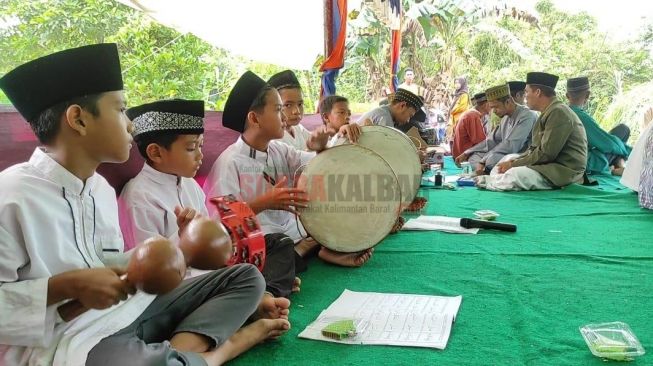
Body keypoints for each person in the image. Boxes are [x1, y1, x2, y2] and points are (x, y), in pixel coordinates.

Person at [0, 44, 288, 366]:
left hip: (128, 311)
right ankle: (227, 348)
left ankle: (179, 354)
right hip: (66, 341)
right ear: (79, 120)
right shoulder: (11, 195)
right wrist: (66, 286)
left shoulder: (100, 189)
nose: (130, 124)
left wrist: (175, 249)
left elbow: (114, 265)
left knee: (246, 278)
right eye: (121, 109)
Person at [119, 99, 299, 298]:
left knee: (278, 243)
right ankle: (264, 292)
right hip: (182, 284)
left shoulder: (189, 184)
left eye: (201, 146)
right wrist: (183, 236)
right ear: (156, 152)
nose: (200, 156)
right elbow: (148, 270)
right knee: (246, 275)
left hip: (210, 270)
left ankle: (263, 288)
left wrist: (223, 246)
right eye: (191, 148)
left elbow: (213, 235)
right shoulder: (138, 197)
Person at [204, 71, 372, 268]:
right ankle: (307, 249)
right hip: (264, 240)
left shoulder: (278, 149)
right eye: (278, 109)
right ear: (255, 119)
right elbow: (220, 226)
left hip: (293, 231)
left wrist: (321, 148)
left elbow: (320, 166)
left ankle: (313, 246)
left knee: (344, 217)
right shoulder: (230, 162)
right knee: (274, 250)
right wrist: (263, 203)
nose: (284, 116)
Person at [476, 72, 588, 191]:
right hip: (550, 163)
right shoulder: (549, 111)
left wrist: (513, 165)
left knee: (515, 174)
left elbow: (546, 154)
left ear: (538, 92)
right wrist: (513, 161)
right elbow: (535, 149)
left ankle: (491, 182)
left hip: (564, 170)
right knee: (508, 158)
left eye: (527, 92)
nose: (525, 97)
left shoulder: (558, 112)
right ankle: (494, 181)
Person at [456, 84, 537, 174]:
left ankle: (486, 171)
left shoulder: (527, 116)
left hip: (520, 156)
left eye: (496, 107)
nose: (494, 111)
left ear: (508, 101)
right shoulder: (505, 118)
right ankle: (486, 171)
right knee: (474, 157)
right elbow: (491, 141)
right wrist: (467, 152)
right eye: (491, 107)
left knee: (491, 160)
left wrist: (484, 160)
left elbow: (512, 145)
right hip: (503, 154)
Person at [565, 76, 632, 176]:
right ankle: (619, 168)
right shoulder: (579, 116)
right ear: (587, 95)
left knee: (617, 139)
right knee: (623, 131)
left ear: (567, 95)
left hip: (568, 159)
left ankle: (620, 166)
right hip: (586, 163)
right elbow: (606, 143)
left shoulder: (562, 112)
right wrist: (629, 151)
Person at [268, 70, 311, 151]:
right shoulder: (273, 139)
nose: (297, 111)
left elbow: (316, 141)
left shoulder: (298, 128)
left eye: (300, 104)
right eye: (288, 105)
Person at [357, 88, 423, 128]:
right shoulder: (385, 117)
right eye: (410, 116)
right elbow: (387, 147)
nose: (408, 120)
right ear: (402, 105)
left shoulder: (383, 111)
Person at [451, 92, 490, 159]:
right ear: (485, 105)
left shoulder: (471, 114)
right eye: (492, 104)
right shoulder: (473, 116)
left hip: (462, 153)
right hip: (464, 156)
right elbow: (480, 141)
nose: (493, 107)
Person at [445, 77, 471, 147]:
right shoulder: (457, 94)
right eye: (455, 83)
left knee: (459, 137)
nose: (456, 85)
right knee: (453, 138)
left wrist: (452, 111)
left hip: (460, 118)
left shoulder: (464, 95)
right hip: (454, 119)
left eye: (458, 83)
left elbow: (462, 107)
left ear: (462, 84)